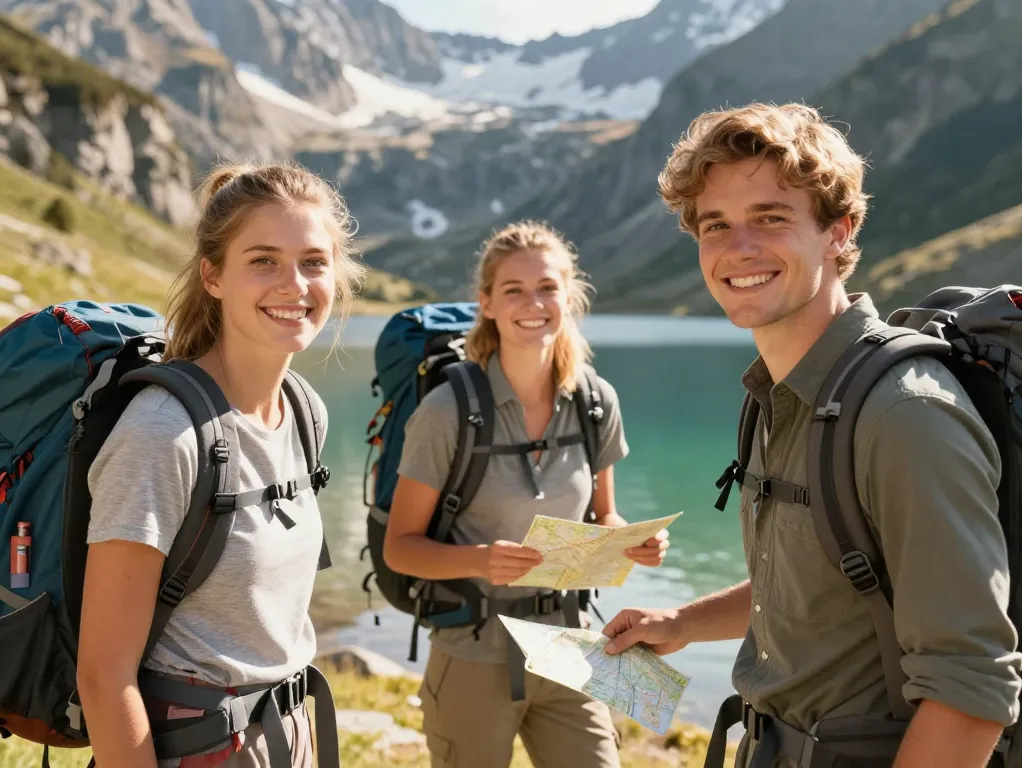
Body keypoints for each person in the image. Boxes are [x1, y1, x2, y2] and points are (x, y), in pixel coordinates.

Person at [601, 103, 1022, 767]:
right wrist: (680, 624)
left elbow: (973, 687)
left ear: (839, 231)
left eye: (771, 218)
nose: (739, 248)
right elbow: (822, 585)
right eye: (716, 226)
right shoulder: (781, 395)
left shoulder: (903, 413)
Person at [76, 161, 364, 767]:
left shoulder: (303, 413)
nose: (295, 284)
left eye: (314, 261)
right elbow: (104, 674)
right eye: (263, 260)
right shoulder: (164, 434)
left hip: (289, 732)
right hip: (199, 746)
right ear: (212, 276)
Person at [382, 220, 670, 768]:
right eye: (513, 290)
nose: (532, 303)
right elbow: (401, 548)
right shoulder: (446, 412)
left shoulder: (595, 402)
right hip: (472, 650)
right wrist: (480, 562)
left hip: (569, 644)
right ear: (487, 303)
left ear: (569, 297)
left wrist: (632, 540)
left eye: (547, 288)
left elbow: (604, 514)